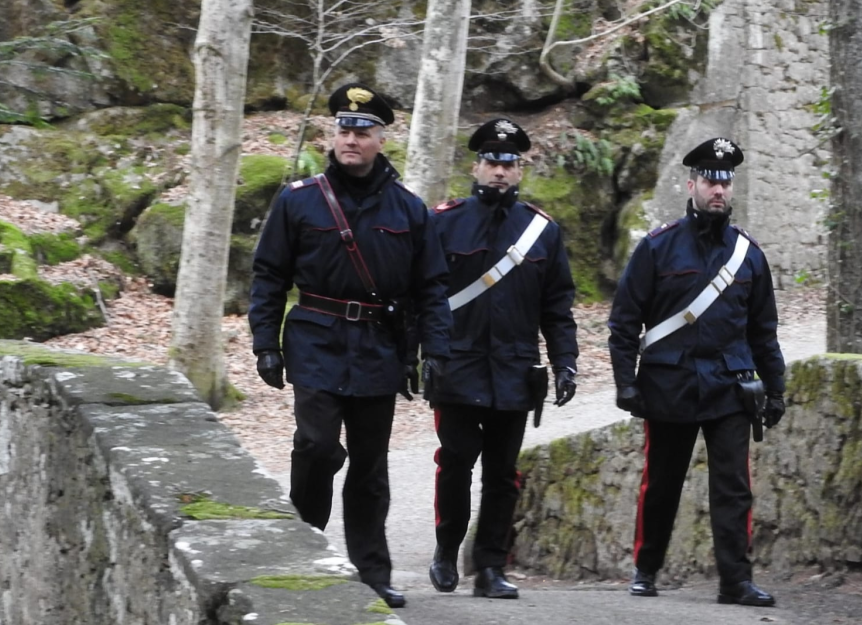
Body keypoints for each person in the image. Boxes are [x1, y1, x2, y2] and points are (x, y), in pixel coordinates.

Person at [248, 82, 452, 609]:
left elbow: (431, 287)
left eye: (362, 131)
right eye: (343, 130)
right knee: (316, 447)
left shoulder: (409, 210)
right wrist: (264, 343)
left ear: (381, 139)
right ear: (332, 136)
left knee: (369, 466)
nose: (351, 140)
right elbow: (269, 275)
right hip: (315, 339)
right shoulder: (299, 200)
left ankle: (372, 571)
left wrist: (434, 352)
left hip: (379, 347)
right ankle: (304, 555)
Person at [607, 137, 786, 607]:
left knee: (734, 488)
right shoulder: (658, 247)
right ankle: (646, 570)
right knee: (661, 484)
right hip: (670, 384)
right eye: (710, 181)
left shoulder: (748, 255)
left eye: (725, 182)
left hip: (731, 387)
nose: (718, 190)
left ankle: (736, 582)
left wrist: (777, 389)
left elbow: (764, 331)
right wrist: (626, 381)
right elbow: (624, 321)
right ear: (692, 185)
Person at [423, 118, 579, 599]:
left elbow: (557, 308)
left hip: (514, 370)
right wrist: (420, 352)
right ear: (477, 166)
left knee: (502, 474)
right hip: (457, 366)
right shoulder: (443, 222)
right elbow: (423, 295)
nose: (499, 171)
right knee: (455, 463)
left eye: (508, 163)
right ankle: (447, 548)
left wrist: (565, 363)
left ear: (519, 170)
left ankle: (490, 566)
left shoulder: (541, 231)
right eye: (492, 162)